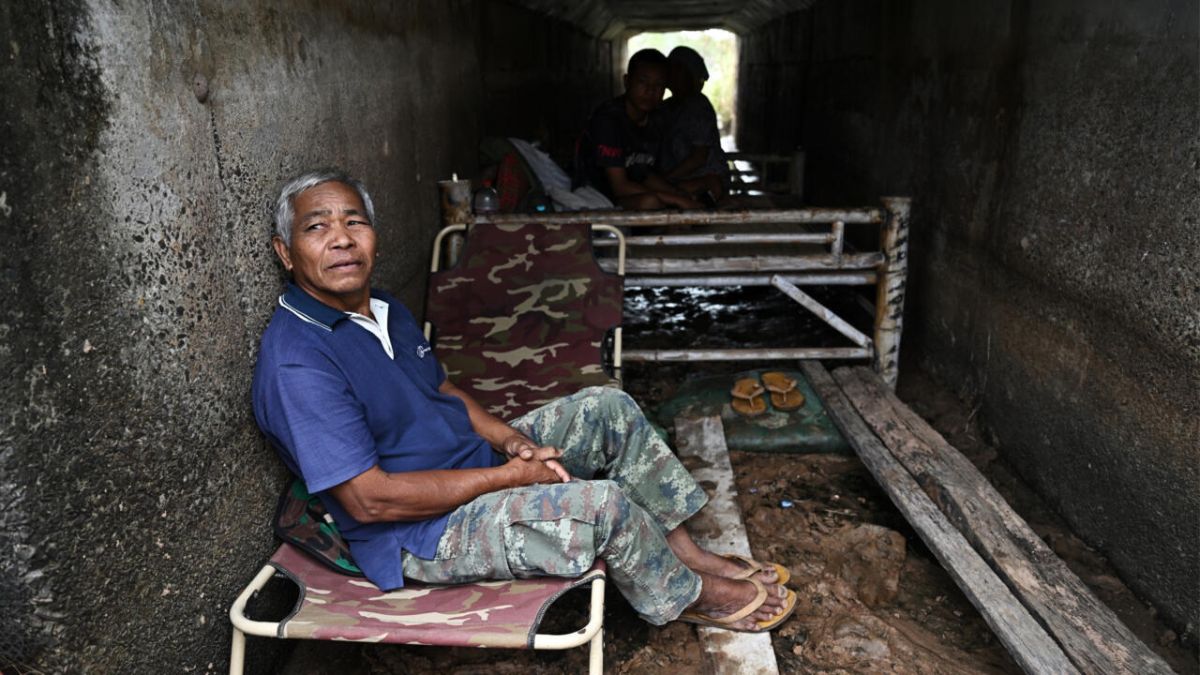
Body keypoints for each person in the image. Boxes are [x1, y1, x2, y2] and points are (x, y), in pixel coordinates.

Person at [251, 169, 798, 632]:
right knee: (602, 504)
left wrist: (511, 440)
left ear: (374, 235)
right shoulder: (299, 361)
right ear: (285, 252)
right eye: (317, 227)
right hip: (422, 534)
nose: (341, 238)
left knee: (608, 408)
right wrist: (511, 477)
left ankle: (689, 556)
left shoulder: (383, 306)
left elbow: (440, 390)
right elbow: (372, 502)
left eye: (354, 221)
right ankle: (687, 594)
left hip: (471, 466)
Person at [574, 49, 703, 210]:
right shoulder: (608, 120)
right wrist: (676, 200)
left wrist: (679, 194)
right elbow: (619, 187)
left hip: (632, 193)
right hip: (598, 199)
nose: (650, 91)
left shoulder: (655, 120)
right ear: (627, 82)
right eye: (643, 82)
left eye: (659, 85)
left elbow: (644, 173)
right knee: (651, 202)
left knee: (708, 185)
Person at [659, 46, 729, 202]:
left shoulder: (698, 106)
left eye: (677, 70)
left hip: (704, 180)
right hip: (681, 180)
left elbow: (699, 157)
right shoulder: (666, 107)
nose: (671, 74)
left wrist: (665, 179)